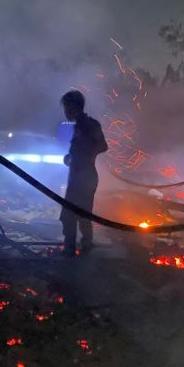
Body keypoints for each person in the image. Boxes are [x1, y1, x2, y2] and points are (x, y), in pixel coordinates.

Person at [60, 90, 108, 257]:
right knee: (70, 215)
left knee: (80, 215)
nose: (65, 111)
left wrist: (86, 157)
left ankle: (83, 252)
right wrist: (71, 157)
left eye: (66, 107)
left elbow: (103, 145)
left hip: (85, 178)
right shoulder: (79, 126)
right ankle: (72, 249)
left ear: (74, 107)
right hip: (77, 178)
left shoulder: (90, 125)